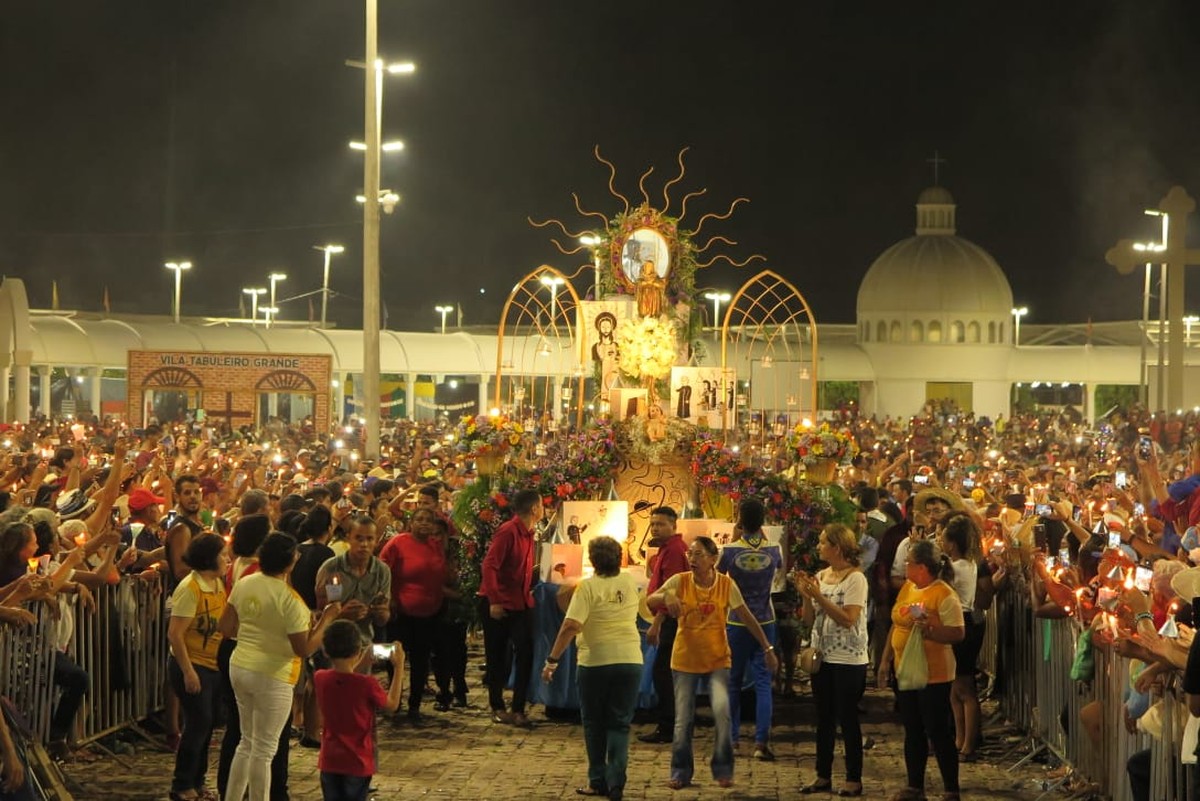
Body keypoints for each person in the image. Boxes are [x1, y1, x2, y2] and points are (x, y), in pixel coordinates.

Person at [646, 536, 779, 791]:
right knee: (683, 720)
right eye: (691, 555)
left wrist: (767, 647)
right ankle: (680, 771)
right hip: (685, 659)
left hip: (718, 658)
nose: (692, 559)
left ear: (713, 559)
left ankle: (723, 770)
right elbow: (651, 600)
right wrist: (667, 599)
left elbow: (747, 617)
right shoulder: (680, 581)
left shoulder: (726, 585)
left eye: (698, 555)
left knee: (722, 715)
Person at [218, 533, 342, 801]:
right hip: (273, 674)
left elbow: (225, 628)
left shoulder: (245, 583)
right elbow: (304, 648)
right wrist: (328, 618)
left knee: (246, 742)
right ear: (290, 562)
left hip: (240, 665)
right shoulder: (291, 600)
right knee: (264, 749)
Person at [541, 536, 641, 801]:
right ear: (619, 557)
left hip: (595, 662)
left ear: (592, 560)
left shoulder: (586, 588)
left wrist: (552, 660)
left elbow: (570, 626)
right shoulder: (630, 582)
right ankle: (617, 781)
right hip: (630, 660)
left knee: (594, 723)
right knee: (620, 723)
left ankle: (597, 780)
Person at [877, 539, 965, 801]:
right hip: (906, 668)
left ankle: (951, 789)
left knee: (937, 730)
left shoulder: (944, 595)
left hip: (934, 672)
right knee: (912, 727)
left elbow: (958, 633)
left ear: (923, 567)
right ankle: (915, 786)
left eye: (909, 563)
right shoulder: (908, 588)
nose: (905, 566)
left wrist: (930, 628)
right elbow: (896, 624)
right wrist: (885, 660)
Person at [795, 523, 869, 797]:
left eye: (823, 542)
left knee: (847, 717)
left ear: (837, 547)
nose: (818, 546)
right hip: (822, 656)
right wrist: (806, 598)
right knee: (823, 717)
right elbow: (809, 620)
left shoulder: (856, 579)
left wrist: (819, 598)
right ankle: (822, 774)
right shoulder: (821, 576)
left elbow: (848, 619)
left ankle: (853, 777)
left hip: (848, 658)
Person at [717, 499, 783, 760]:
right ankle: (760, 741)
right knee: (763, 682)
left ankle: (732, 739)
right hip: (765, 618)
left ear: (740, 519)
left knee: (732, 682)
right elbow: (778, 571)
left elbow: (720, 575)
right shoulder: (774, 549)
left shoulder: (731, 550)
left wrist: (736, 536)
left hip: (737, 619)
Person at [166, 533, 228, 801]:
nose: (227, 560)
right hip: (191, 664)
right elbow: (175, 634)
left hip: (213, 664)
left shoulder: (217, 585)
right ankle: (182, 784)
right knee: (197, 723)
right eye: (223, 554)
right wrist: (188, 671)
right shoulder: (190, 588)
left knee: (207, 723)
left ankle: (198, 780)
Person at [315, 620, 404, 801]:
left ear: (326, 650)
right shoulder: (367, 684)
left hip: (330, 759)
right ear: (357, 649)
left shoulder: (321, 678)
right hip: (357, 761)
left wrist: (362, 660)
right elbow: (392, 705)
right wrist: (399, 667)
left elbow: (343, 678)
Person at [479, 488, 542, 727]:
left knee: (526, 653)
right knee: (497, 657)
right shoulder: (508, 531)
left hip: (521, 602)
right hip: (498, 603)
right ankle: (497, 706)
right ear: (534, 509)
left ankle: (518, 708)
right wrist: (494, 600)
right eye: (541, 506)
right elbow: (489, 566)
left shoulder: (529, 533)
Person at [379, 507, 445, 722]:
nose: (424, 524)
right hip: (401, 613)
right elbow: (382, 571)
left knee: (421, 659)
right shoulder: (398, 543)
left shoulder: (436, 545)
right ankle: (393, 700)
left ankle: (414, 704)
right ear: (411, 523)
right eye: (419, 520)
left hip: (428, 613)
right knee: (393, 657)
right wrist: (390, 598)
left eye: (428, 520)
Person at [939, 512, 989, 763]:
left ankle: (968, 742)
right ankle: (959, 739)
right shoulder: (968, 563)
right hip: (964, 623)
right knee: (954, 688)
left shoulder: (958, 567)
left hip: (963, 624)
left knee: (965, 687)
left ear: (951, 543)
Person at [639, 506, 689, 744]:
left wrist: (656, 624)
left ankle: (668, 726)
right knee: (665, 672)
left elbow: (671, 592)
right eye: (653, 524)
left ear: (673, 525)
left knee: (663, 673)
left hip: (671, 620)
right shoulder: (667, 549)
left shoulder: (675, 551)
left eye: (661, 524)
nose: (656, 528)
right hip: (668, 619)